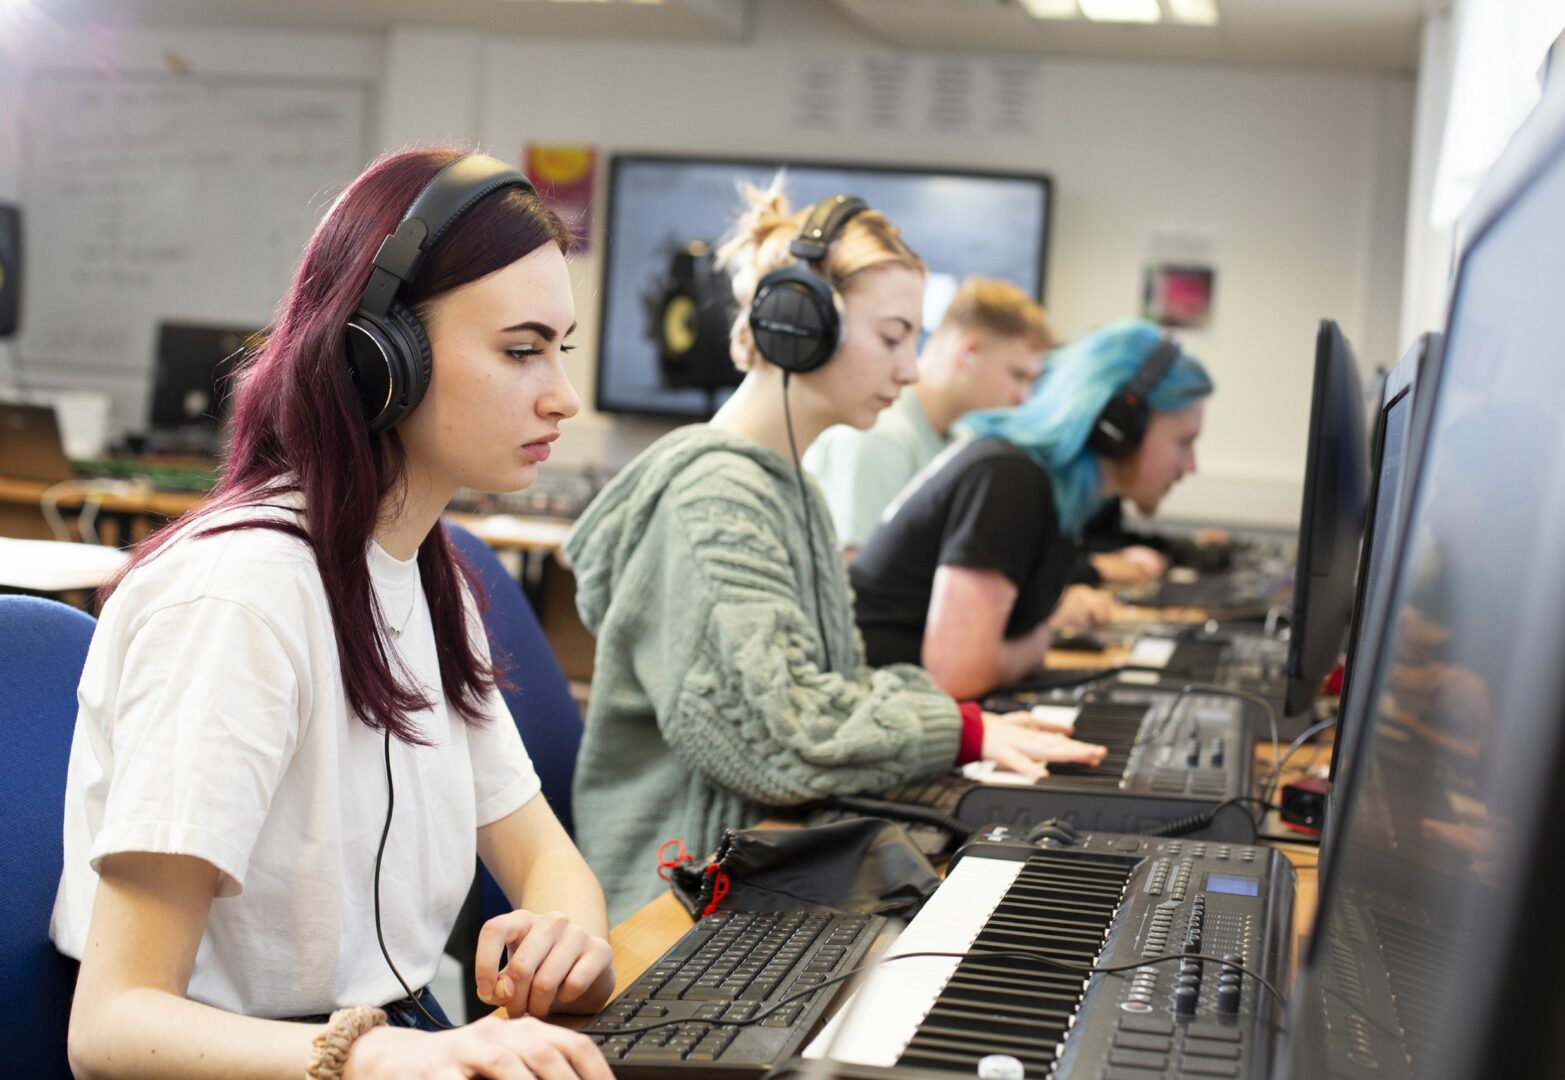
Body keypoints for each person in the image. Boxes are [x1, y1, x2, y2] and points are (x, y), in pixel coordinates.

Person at [52, 148, 615, 1080]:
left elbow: (551, 866)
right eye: (521, 350)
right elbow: (111, 1027)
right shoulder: (237, 603)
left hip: (390, 1038)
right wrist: (375, 1058)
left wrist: (571, 941)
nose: (561, 394)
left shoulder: (428, 578)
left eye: (561, 347)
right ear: (378, 359)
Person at [565, 185, 1105, 921]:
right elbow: (778, 736)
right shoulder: (711, 501)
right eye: (891, 337)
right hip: (674, 898)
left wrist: (951, 730)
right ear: (798, 327)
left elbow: (830, 691)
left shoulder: (792, 493)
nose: (913, 370)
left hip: (757, 848)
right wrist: (963, 727)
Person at [850, 319, 1214, 700]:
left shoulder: (1038, 486)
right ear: (1119, 426)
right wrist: (1033, 646)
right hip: (872, 715)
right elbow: (957, 674)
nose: (1190, 465)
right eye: (1183, 442)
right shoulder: (1009, 480)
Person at [802, 275, 1052, 551]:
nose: (1023, 396)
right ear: (968, 354)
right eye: (1018, 375)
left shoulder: (959, 440)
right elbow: (857, 580)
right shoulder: (878, 435)